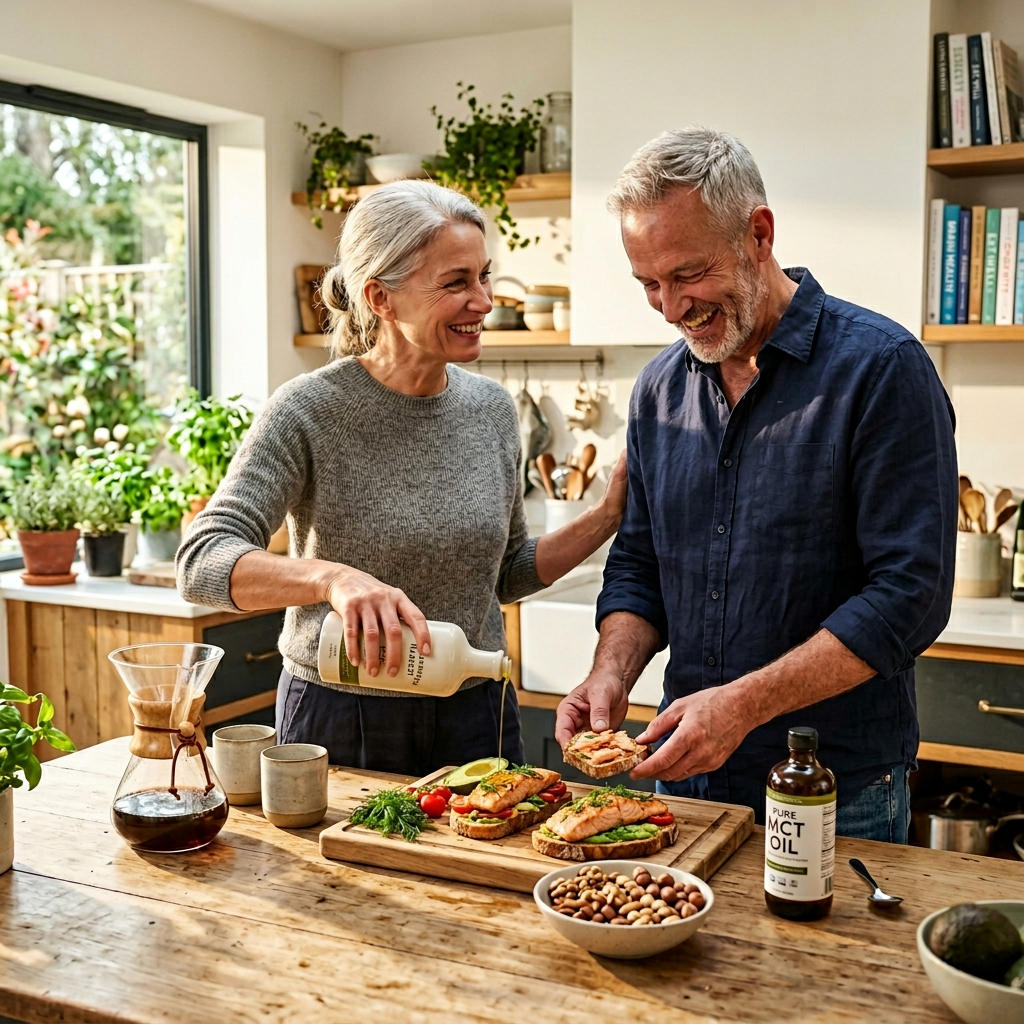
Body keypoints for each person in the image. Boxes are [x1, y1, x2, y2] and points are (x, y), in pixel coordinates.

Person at [554, 127, 957, 842]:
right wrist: (609, 672)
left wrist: (743, 706)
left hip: (835, 787)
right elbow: (640, 565)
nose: (671, 308)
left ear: (759, 235)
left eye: (688, 275)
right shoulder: (656, 391)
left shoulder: (882, 369)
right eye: (649, 284)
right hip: (685, 779)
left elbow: (910, 597)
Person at [178, 179, 626, 776]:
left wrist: (606, 516)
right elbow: (200, 564)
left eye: (483, 276)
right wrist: (330, 579)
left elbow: (505, 574)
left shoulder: (492, 410)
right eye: (455, 283)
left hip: (477, 712)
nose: (484, 301)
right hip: (341, 715)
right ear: (380, 299)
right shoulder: (308, 411)